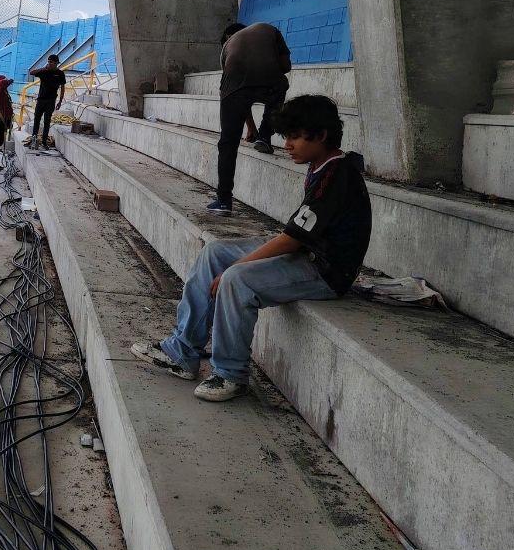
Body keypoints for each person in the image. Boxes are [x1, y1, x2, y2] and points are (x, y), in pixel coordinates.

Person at [131, 95, 370, 402]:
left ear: (321, 135)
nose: (287, 145)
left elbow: (292, 238)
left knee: (237, 279)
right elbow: (296, 235)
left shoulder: (337, 175)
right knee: (215, 252)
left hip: (325, 270)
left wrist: (238, 267)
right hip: (306, 252)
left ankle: (230, 375)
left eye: (296, 137)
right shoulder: (322, 165)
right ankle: (183, 351)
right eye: (287, 137)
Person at [209, 22, 291, 215]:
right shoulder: (269, 29)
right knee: (281, 84)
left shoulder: (226, 49)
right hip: (269, 82)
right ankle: (265, 136)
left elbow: (236, 94)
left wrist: (247, 127)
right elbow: (286, 66)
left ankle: (223, 201)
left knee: (228, 143)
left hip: (233, 88)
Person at [28, 54, 66, 148]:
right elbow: (31, 72)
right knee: (36, 120)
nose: (49, 63)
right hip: (41, 100)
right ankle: (34, 139)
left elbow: (63, 87)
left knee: (47, 121)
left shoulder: (60, 74)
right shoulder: (44, 71)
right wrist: (43, 69)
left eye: (51, 62)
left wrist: (60, 101)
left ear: (56, 63)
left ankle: (44, 141)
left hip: (51, 101)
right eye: (48, 61)